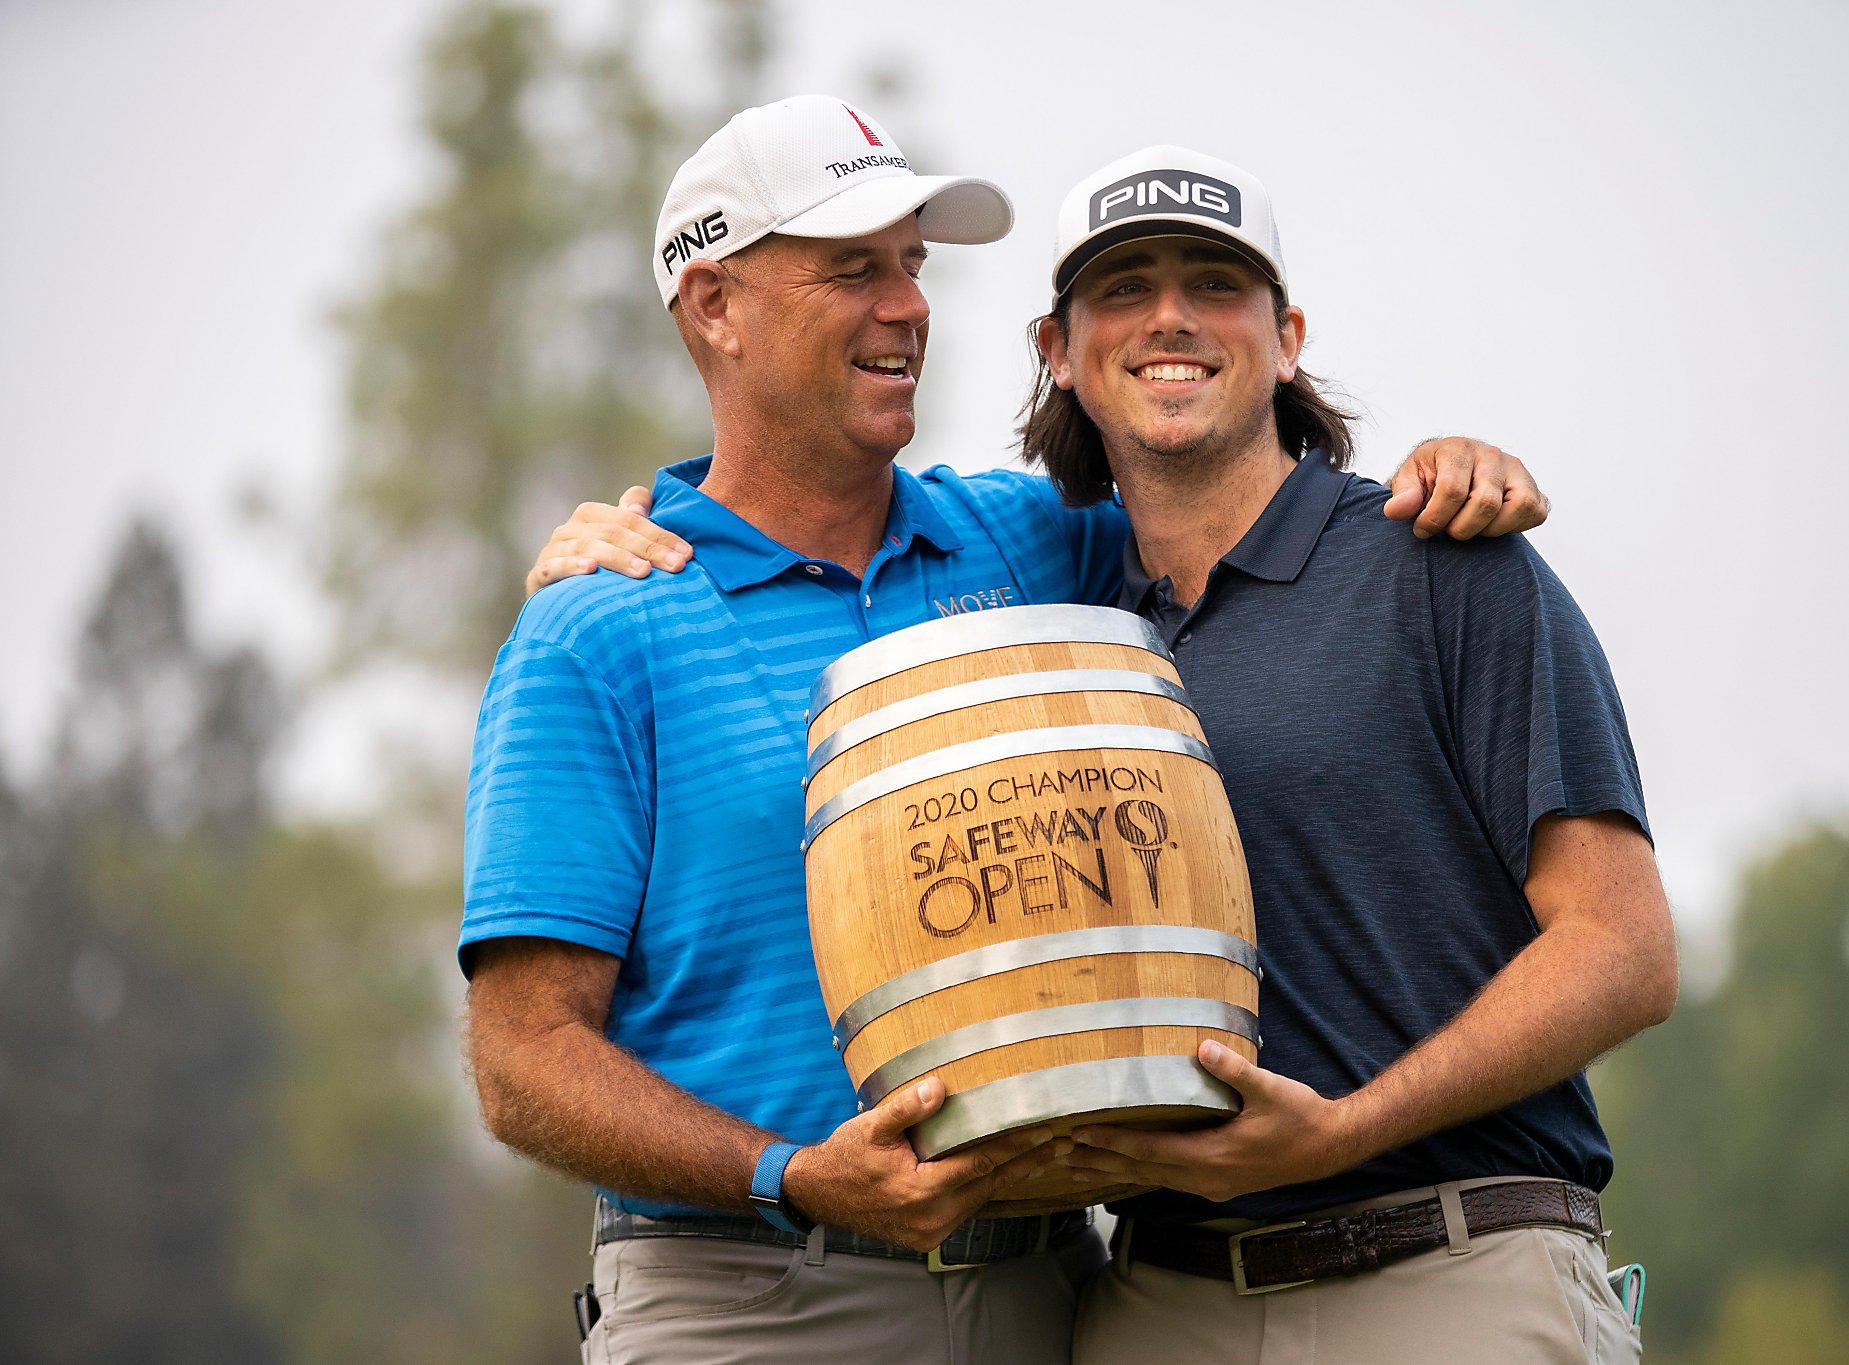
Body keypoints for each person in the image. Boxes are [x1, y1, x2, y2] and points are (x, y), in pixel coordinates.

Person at [468, 98, 1544, 1365]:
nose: (907, 306)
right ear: (715, 307)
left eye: (913, 267)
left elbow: (1232, 499)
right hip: (750, 1302)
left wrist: (1443, 465)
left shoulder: (1030, 544)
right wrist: (791, 1174)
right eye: (851, 267)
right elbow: (523, 1061)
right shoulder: (598, 632)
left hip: (1054, 1301)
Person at [1013, 147, 1673, 1363]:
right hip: (1152, 1304)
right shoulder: (1063, 625)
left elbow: (1621, 951)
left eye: (1215, 283)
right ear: (1058, 348)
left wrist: (1345, 1130)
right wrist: (634, 521)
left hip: (1451, 1271)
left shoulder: (1443, 562)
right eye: (1124, 288)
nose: (1169, 315)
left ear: (1286, 337)